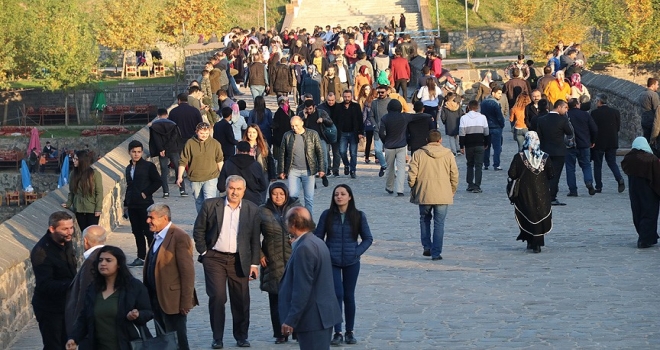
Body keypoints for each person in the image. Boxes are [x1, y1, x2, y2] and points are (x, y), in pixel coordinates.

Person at [193, 175, 261, 349]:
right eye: (231, 188)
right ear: (225, 188)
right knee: (217, 297)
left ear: (244, 191)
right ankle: (217, 337)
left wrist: (254, 264)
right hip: (215, 258)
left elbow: (255, 239)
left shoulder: (251, 209)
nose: (234, 192)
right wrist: (204, 252)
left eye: (238, 189)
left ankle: (241, 336)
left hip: (239, 260)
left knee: (241, 299)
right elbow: (199, 230)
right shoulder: (211, 205)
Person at [315, 185, 373, 346]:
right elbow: (318, 237)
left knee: (349, 296)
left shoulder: (358, 216)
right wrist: (325, 253)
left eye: (342, 194)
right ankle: (337, 331)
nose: (339, 197)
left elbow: (368, 238)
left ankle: (350, 331)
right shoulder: (327, 215)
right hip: (331, 261)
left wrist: (356, 252)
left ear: (350, 197)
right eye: (336, 194)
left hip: (352, 261)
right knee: (336, 295)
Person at [65, 246, 153, 350]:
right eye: (100, 260)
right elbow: (84, 317)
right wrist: (74, 338)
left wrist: (137, 315)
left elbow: (148, 312)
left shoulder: (134, 286)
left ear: (119, 264)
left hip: (127, 345)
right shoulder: (93, 288)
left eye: (108, 260)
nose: (103, 263)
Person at [279, 207, 342, 350]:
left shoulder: (304, 248)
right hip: (321, 317)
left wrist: (291, 320)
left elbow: (302, 289)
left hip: (314, 319)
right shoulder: (316, 242)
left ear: (293, 224)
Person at [143, 204, 198, 350]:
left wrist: (186, 302)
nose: (148, 221)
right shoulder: (157, 236)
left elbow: (187, 272)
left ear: (164, 218)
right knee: (164, 341)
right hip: (156, 299)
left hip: (173, 301)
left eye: (151, 218)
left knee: (178, 341)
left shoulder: (179, 237)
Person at [258, 183, 301, 344]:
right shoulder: (262, 210)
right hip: (272, 258)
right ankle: (280, 333)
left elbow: (309, 228)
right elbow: (253, 234)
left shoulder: (296, 208)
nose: (278, 197)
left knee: (296, 297)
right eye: (275, 194)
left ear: (286, 194)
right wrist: (259, 254)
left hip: (293, 257)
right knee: (275, 298)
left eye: (281, 194)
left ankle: (297, 330)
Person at [408, 129, 458, 260]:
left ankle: (427, 246)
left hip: (424, 192)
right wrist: (452, 189)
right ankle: (436, 253)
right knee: (439, 223)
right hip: (443, 193)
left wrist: (413, 186)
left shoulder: (418, 153)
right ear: (440, 140)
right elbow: (454, 174)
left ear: (427, 141)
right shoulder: (448, 154)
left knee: (424, 220)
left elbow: (412, 173)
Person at [31, 211, 77, 350]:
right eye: (65, 229)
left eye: (71, 227)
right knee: (54, 346)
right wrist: (74, 284)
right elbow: (45, 284)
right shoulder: (41, 252)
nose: (70, 232)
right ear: (52, 229)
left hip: (66, 304)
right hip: (50, 308)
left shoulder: (66, 241)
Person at [507, 131, 554, 253]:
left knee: (528, 214)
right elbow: (551, 174)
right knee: (539, 214)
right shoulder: (545, 157)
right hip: (542, 192)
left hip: (525, 192)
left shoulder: (519, 157)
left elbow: (512, 173)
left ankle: (529, 240)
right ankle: (538, 242)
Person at [65, 225, 107, 342]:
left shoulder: (91, 261)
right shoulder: (111, 257)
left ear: (85, 241)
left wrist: (77, 330)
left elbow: (84, 294)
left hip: (92, 325)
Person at [123, 140, 162, 267]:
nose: (136, 154)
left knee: (149, 231)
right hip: (132, 205)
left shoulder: (148, 166)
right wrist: (126, 204)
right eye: (134, 152)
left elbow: (158, 181)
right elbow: (129, 186)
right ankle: (141, 257)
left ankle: (153, 256)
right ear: (129, 152)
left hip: (145, 204)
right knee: (137, 231)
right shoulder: (128, 168)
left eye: (139, 152)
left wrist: (145, 192)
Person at [278, 116, 326, 216]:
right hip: (293, 170)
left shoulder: (312, 134)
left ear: (302, 123)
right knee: (292, 198)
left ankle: (308, 222)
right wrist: (281, 171)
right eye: (292, 126)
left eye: (296, 125)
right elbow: (282, 153)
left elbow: (319, 152)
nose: (294, 128)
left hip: (308, 170)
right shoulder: (287, 135)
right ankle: (293, 221)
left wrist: (322, 169)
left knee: (309, 199)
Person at [379, 99, 428, 196]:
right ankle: (400, 189)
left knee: (390, 167)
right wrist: (429, 115)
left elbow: (381, 133)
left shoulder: (385, 118)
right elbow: (418, 116)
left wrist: (385, 141)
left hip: (389, 146)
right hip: (401, 145)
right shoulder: (404, 116)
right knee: (401, 168)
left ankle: (389, 187)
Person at [621, 137, 660, 248]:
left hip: (634, 190)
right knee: (649, 213)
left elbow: (624, 167)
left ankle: (647, 237)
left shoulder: (629, 157)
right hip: (649, 191)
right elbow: (657, 176)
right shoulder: (651, 159)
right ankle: (645, 239)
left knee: (637, 212)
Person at [177, 122, 224, 213]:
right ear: (196, 132)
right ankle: (201, 221)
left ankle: (210, 221)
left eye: (206, 133)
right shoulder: (190, 143)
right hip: (195, 178)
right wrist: (179, 177)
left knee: (209, 200)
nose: (204, 135)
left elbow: (219, 160)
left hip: (211, 177)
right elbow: (183, 160)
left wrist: (223, 175)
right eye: (202, 133)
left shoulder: (215, 144)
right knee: (199, 201)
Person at [537, 100, 573, 206]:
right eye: (565, 108)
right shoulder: (562, 120)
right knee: (555, 175)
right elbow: (569, 132)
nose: (566, 110)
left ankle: (543, 195)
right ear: (559, 107)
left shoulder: (541, 119)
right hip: (558, 151)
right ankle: (552, 197)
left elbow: (539, 135)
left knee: (545, 174)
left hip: (545, 150)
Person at [590, 94, 625, 193]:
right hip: (612, 141)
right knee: (612, 162)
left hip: (599, 142)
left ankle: (598, 186)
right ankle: (619, 178)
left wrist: (592, 141)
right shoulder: (615, 112)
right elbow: (617, 128)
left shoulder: (594, 113)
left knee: (598, 164)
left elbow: (593, 129)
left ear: (599, 101)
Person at [61, 150, 103, 231]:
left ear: (82, 160)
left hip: (91, 209)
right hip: (79, 209)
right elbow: (72, 192)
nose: (74, 161)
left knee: (92, 233)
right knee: (84, 233)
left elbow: (99, 192)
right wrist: (68, 203)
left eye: (76, 159)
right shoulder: (73, 174)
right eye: (74, 159)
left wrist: (98, 208)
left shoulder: (95, 174)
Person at [564, 98, 598, 197]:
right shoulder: (585, 114)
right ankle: (589, 182)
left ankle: (573, 190)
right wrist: (593, 141)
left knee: (570, 168)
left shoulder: (566, 115)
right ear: (577, 105)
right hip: (584, 144)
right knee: (586, 165)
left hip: (570, 145)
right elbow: (594, 129)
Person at [149, 108, 185, 198]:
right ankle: (182, 190)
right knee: (178, 169)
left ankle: (166, 192)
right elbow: (174, 137)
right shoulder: (173, 125)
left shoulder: (154, 126)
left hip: (162, 152)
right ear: (167, 115)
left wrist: (162, 149)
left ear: (158, 115)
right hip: (173, 149)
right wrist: (167, 147)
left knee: (164, 171)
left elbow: (156, 139)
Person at [459, 100, 490, 193]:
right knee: (479, 165)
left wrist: (461, 146)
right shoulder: (483, 117)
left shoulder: (464, 118)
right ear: (478, 107)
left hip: (469, 144)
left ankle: (470, 184)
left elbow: (462, 133)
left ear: (468, 106)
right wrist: (486, 143)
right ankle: (477, 185)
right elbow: (486, 132)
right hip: (480, 143)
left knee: (470, 164)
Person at [337, 90, 364, 178]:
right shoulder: (339, 106)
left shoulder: (356, 106)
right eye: (345, 97)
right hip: (343, 133)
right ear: (342, 96)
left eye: (348, 97)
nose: (347, 98)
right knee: (342, 151)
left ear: (351, 96)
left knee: (353, 153)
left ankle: (353, 170)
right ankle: (346, 164)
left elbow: (360, 120)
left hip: (353, 133)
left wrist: (361, 132)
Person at [480, 86, 505, 170]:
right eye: (498, 93)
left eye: (501, 94)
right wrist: (502, 124)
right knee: (497, 147)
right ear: (493, 93)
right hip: (496, 127)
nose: (500, 95)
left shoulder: (483, 102)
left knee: (486, 146)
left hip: (486, 127)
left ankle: (486, 164)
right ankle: (496, 164)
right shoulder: (495, 103)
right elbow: (499, 116)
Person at [639, 77, 660, 142]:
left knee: (646, 139)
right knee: (654, 141)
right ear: (652, 85)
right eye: (657, 84)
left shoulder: (641, 94)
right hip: (652, 122)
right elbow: (657, 110)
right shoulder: (653, 95)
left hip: (644, 120)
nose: (658, 86)